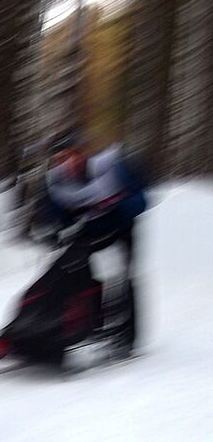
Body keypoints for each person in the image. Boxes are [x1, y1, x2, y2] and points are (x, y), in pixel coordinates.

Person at [37, 131, 147, 358]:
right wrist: (53, 229)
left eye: (71, 156)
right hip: (87, 233)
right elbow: (52, 213)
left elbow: (141, 199)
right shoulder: (57, 182)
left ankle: (126, 339)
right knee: (78, 276)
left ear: (82, 153)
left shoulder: (110, 168)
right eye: (60, 160)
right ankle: (91, 329)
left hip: (120, 228)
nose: (67, 163)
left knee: (122, 277)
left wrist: (120, 207)